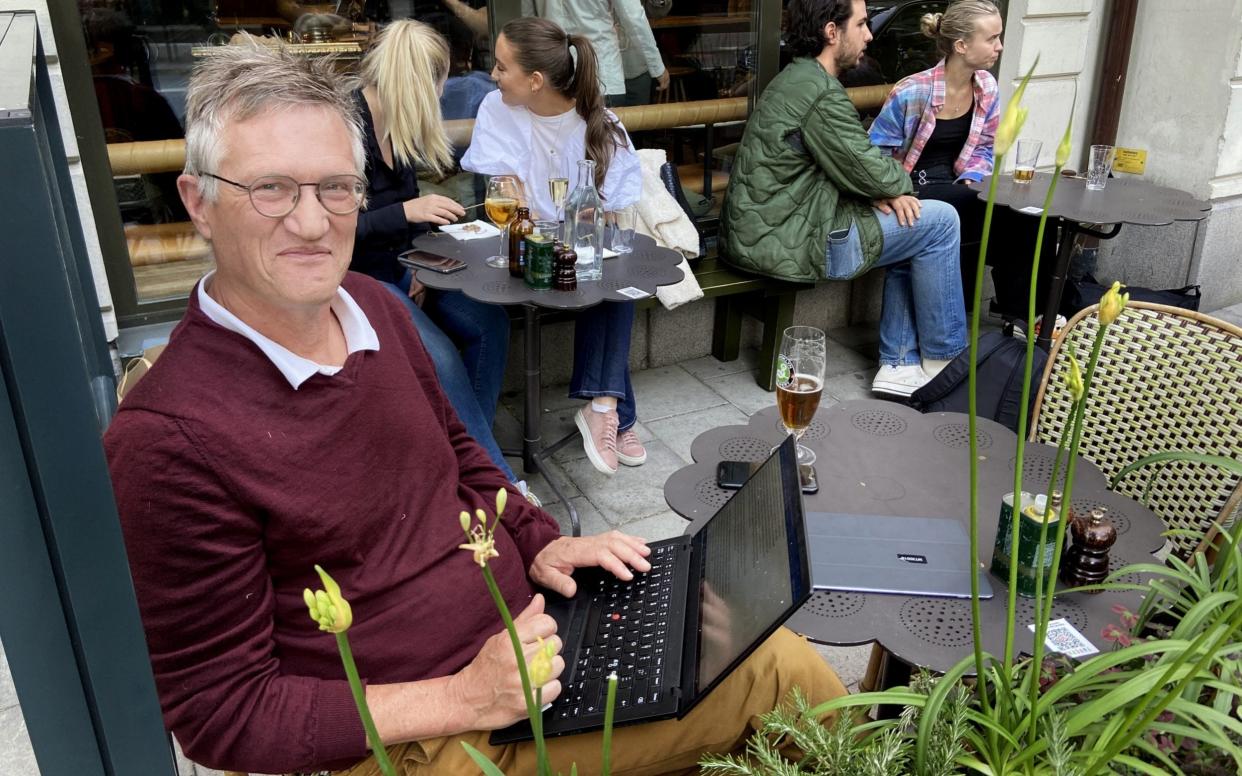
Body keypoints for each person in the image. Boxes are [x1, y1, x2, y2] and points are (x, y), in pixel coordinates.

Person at [104, 38, 847, 776]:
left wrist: (540, 541)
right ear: (198, 202)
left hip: (522, 642)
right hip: (414, 731)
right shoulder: (168, 439)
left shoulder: (371, 306)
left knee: (757, 651)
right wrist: (466, 697)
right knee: (783, 686)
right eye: (270, 188)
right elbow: (221, 714)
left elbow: (460, 459)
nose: (311, 222)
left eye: (335, 187)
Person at [724, 0, 968, 397]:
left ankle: (900, 365)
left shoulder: (796, 78)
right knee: (940, 221)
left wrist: (881, 194)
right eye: (862, 24)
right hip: (793, 241)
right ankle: (945, 360)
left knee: (916, 226)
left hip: (771, 230)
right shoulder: (821, 93)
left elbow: (848, 166)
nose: (870, 35)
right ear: (832, 32)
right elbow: (869, 167)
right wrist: (893, 188)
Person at [462, 17, 647, 474]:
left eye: (503, 67)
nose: (494, 75)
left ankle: (602, 407)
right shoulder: (496, 108)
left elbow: (605, 218)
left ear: (535, 80)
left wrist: (579, 234)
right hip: (523, 249)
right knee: (600, 271)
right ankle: (616, 413)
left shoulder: (599, 124)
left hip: (576, 250)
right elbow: (508, 200)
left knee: (613, 275)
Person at [351, 20, 516, 481]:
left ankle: (465, 459)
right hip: (353, 281)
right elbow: (332, 229)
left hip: (400, 269)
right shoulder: (346, 129)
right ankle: (494, 478)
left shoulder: (394, 126)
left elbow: (403, 225)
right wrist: (407, 211)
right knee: (438, 353)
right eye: (441, 82)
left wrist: (420, 263)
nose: (443, 94)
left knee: (489, 322)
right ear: (420, 82)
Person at [868, 0, 1054, 318]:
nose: (1000, 46)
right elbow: (874, 155)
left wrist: (973, 177)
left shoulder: (986, 87)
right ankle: (961, 318)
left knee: (1034, 220)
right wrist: (893, 191)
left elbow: (984, 147)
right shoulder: (912, 92)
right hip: (910, 192)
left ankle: (1025, 317)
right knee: (972, 210)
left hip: (958, 186)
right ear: (962, 45)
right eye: (992, 38)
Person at [521, 0, 669, 106]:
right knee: (609, 145)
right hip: (601, 74)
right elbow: (633, 18)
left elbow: (529, 24)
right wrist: (657, 67)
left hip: (556, 75)